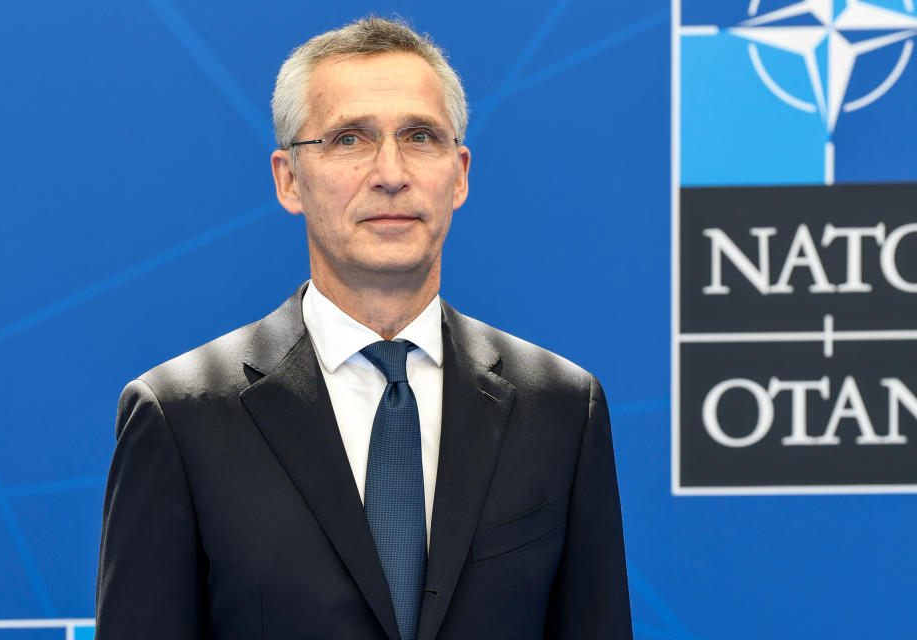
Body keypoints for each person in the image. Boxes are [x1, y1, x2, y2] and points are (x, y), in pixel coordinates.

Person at [95, 16, 632, 640]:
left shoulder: (562, 407)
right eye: (350, 139)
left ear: (459, 174)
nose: (391, 172)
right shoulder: (179, 415)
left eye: (420, 137)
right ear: (289, 178)